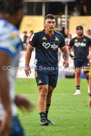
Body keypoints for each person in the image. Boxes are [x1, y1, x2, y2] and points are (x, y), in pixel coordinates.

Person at [25, 14, 69, 125]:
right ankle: (42, 118)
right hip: (41, 67)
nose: (51, 24)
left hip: (53, 68)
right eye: (49, 22)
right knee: (43, 90)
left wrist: (66, 59)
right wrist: (27, 65)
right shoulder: (37, 35)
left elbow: (64, 50)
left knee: (49, 92)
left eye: (53, 22)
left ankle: (46, 116)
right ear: (44, 23)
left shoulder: (59, 37)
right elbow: (29, 50)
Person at [0, 0, 34, 136]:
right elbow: (1, 70)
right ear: (19, 12)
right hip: (2, 115)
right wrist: (8, 109)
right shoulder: (9, 33)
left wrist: (11, 96)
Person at [68, 25, 91, 95]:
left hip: (85, 59)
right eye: (78, 30)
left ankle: (89, 88)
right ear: (76, 31)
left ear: (82, 30)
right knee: (77, 73)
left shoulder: (87, 39)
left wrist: (90, 55)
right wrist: (71, 55)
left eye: (80, 30)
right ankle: (78, 90)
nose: (79, 31)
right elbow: (68, 48)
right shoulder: (73, 40)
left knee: (87, 74)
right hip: (77, 59)